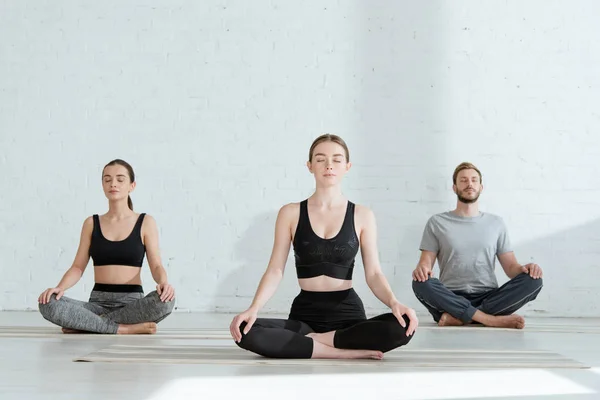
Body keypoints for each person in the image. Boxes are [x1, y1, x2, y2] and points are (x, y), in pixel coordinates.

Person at [230, 134, 418, 359]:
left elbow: (374, 273)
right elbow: (275, 270)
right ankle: (342, 353)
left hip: (348, 317)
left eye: (337, 159)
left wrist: (394, 302)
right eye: (320, 159)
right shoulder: (290, 213)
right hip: (304, 317)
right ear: (310, 166)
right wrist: (254, 308)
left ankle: (315, 344)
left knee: (404, 325)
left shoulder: (362, 215)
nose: (329, 165)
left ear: (347, 166)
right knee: (245, 330)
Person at [38, 159, 175, 334]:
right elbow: (78, 267)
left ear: (132, 186)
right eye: (107, 179)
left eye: (120, 179)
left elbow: (156, 265)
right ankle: (123, 329)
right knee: (48, 303)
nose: (113, 184)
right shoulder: (91, 223)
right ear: (102, 185)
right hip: (96, 305)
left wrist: (164, 283)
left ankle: (89, 325)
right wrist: (60, 288)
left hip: (133, 306)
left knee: (167, 301)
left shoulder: (145, 222)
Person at [412, 162, 543, 329]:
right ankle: (489, 320)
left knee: (534, 282)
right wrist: (422, 269)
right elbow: (425, 263)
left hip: (489, 298)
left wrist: (527, 269)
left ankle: (462, 318)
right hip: (450, 298)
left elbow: (511, 267)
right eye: (464, 180)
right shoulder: (437, 222)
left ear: (481, 187)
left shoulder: (496, 223)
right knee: (420, 283)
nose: (469, 184)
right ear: (454, 187)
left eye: (474, 180)